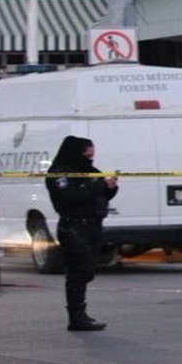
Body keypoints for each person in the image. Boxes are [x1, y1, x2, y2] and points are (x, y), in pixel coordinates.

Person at [45, 136, 118, 332]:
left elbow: (100, 194)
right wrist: (99, 186)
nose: (90, 158)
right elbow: (71, 197)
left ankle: (81, 314)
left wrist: (110, 187)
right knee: (78, 272)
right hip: (74, 227)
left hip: (93, 226)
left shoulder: (90, 171)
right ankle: (76, 317)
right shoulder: (59, 174)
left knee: (88, 270)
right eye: (87, 153)